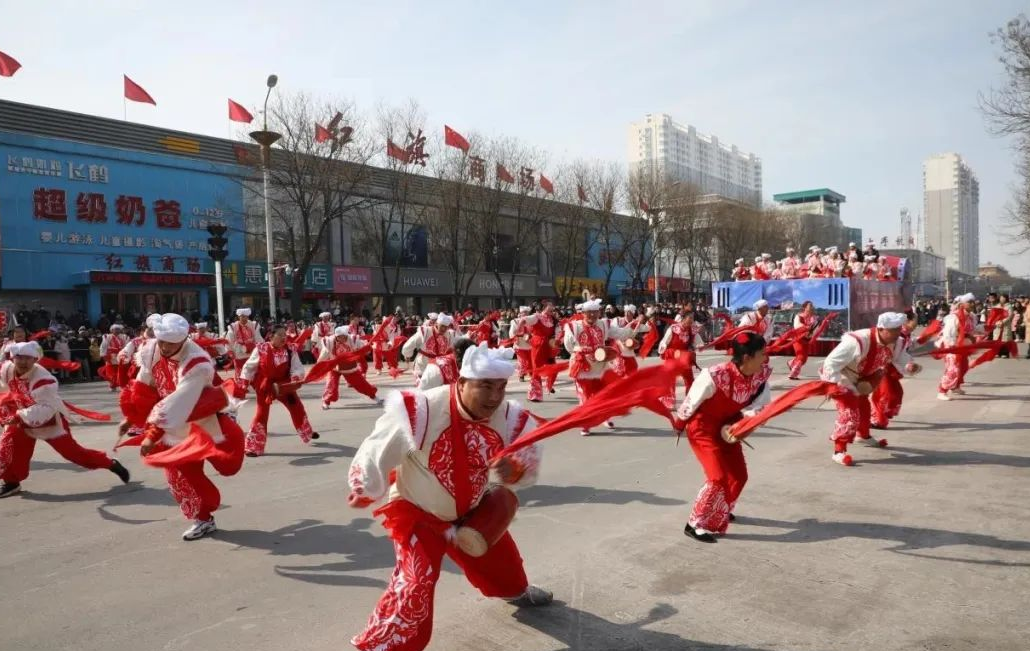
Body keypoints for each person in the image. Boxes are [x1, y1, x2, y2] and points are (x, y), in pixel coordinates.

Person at [348, 343, 551, 651]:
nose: (495, 397)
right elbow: (376, 449)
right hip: (419, 512)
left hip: (472, 510)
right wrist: (366, 485)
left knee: (504, 565)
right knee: (415, 585)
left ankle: (515, 590)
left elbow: (526, 465)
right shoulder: (422, 411)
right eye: (485, 386)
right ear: (462, 381)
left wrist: (514, 470)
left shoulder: (509, 418)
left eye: (501, 387)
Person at [120, 314, 244, 540]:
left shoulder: (196, 362)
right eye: (162, 341)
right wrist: (132, 417)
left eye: (171, 343)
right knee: (181, 476)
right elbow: (143, 388)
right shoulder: (150, 351)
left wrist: (151, 434)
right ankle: (203, 518)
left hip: (202, 417)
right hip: (173, 427)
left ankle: (232, 424)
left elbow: (179, 402)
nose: (165, 347)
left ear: (185, 339)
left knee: (229, 466)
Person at [673, 332, 770, 542]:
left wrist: (744, 422)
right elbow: (692, 400)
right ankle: (695, 523)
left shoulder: (760, 378)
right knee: (717, 477)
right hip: (703, 430)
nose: (766, 358)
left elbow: (759, 406)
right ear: (747, 358)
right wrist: (680, 423)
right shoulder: (715, 375)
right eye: (762, 354)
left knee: (739, 476)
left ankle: (723, 509)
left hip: (728, 430)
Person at [0, 342, 130, 497]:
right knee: (8, 446)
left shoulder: (44, 380)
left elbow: (46, 408)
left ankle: (110, 464)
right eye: (19, 357)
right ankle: (11, 482)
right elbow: (5, 390)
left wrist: (17, 416)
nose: (22, 362)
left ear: (35, 359)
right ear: (13, 358)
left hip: (48, 423)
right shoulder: (7, 370)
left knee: (74, 454)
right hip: (20, 420)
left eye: (28, 358)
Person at [820, 312, 922, 466]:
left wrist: (910, 366)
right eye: (893, 330)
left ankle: (863, 435)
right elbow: (830, 363)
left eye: (898, 329)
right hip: (841, 374)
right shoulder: (858, 341)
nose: (897, 333)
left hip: (863, 375)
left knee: (864, 406)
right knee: (850, 411)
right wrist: (836, 385)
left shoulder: (897, 342)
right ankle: (839, 450)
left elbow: (901, 361)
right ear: (881, 329)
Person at [235, 324, 317, 456]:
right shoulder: (261, 348)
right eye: (280, 335)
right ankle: (253, 447)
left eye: (285, 335)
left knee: (296, 406)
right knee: (261, 413)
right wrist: (244, 382)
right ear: (271, 336)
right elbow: (249, 366)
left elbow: (297, 367)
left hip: (284, 384)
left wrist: (295, 376)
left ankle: (307, 432)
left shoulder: (290, 349)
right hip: (265, 385)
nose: (284, 338)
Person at [563, 299, 635, 435]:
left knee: (605, 395)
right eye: (589, 313)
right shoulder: (574, 326)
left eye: (595, 312)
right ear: (583, 313)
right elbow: (568, 346)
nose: (593, 315)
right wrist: (580, 349)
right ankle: (585, 423)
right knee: (585, 396)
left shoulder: (604, 324)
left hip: (600, 365)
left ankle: (604, 417)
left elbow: (620, 333)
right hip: (583, 365)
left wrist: (634, 327)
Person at [871, 310, 917, 429]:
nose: (915, 323)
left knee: (896, 393)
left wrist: (909, 364)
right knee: (886, 394)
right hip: (877, 369)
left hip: (890, 368)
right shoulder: (870, 338)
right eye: (913, 321)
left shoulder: (900, 339)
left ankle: (882, 415)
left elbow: (901, 356)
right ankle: (877, 419)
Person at [319, 325, 381, 409]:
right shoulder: (329, 341)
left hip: (349, 367)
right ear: (336, 336)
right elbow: (324, 354)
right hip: (334, 367)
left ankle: (374, 397)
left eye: (344, 337)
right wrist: (319, 364)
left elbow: (364, 347)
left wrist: (368, 347)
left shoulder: (353, 339)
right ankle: (326, 402)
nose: (342, 339)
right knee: (331, 384)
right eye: (340, 337)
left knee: (361, 384)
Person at [936, 293, 978, 401]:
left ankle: (955, 386)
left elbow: (974, 329)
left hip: (963, 346)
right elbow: (948, 334)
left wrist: (989, 327)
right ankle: (942, 391)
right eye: (969, 302)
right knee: (952, 369)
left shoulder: (972, 316)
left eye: (973, 302)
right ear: (962, 304)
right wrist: (952, 347)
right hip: (953, 346)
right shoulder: (954, 316)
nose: (972, 304)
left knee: (963, 367)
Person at [657, 311, 704, 405]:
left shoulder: (692, 330)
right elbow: (664, 342)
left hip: (684, 358)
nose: (691, 321)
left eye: (692, 319)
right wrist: (663, 351)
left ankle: (690, 400)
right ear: (683, 319)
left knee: (689, 379)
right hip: (672, 356)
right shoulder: (673, 329)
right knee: (670, 379)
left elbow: (699, 344)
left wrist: (700, 346)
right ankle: (669, 400)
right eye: (689, 318)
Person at [520, 302, 560, 402]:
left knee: (553, 368)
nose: (552, 307)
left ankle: (549, 385)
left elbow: (558, 332)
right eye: (549, 305)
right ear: (544, 307)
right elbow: (525, 320)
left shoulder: (553, 320)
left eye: (552, 305)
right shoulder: (537, 317)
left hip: (548, 346)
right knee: (537, 369)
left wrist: (557, 340)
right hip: (537, 345)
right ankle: (534, 394)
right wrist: (519, 327)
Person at [402, 313, 456, 385]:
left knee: (437, 391)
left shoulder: (450, 334)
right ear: (436, 323)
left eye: (446, 327)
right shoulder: (426, 332)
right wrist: (407, 354)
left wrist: (469, 336)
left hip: (439, 367)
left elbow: (460, 341)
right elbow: (411, 343)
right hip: (423, 366)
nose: (444, 329)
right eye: (442, 326)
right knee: (423, 389)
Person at [608, 304, 648, 377]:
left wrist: (646, 318)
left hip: (628, 349)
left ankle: (629, 385)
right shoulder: (617, 320)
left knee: (632, 368)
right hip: (618, 348)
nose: (626, 314)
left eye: (629, 313)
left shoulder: (636, 323)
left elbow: (647, 328)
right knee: (619, 369)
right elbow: (613, 332)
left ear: (632, 314)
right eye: (625, 312)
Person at [226, 308, 263, 379]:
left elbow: (258, 338)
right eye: (242, 316)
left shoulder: (253, 325)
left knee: (253, 373)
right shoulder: (233, 326)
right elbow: (229, 339)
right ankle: (241, 388)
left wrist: (260, 349)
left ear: (248, 316)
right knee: (240, 374)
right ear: (238, 317)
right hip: (239, 353)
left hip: (251, 352)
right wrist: (230, 351)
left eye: (245, 316)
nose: (244, 318)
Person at [787, 301, 818, 380]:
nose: (811, 307)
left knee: (804, 360)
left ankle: (791, 363)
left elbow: (816, 329)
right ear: (805, 307)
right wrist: (806, 328)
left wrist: (811, 333)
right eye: (809, 306)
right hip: (797, 339)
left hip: (807, 339)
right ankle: (793, 374)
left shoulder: (814, 318)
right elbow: (797, 326)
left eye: (812, 306)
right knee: (801, 356)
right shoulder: (799, 316)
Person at [99, 324, 129, 391]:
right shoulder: (107, 337)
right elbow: (103, 346)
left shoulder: (124, 337)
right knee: (111, 372)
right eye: (115, 329)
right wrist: (104, 355)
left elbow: (127, 346)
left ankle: (123, 385)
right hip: (111, 356)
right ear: (111, 330)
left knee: (121, 372)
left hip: (120, 356)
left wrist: (126, 355)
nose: (117, 331)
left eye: (118, 329)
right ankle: (112, 385)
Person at [509, 306, 534, 381]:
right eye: (524, 313)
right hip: (520, 345)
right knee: (522, 361)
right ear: (520, 313)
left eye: (527, 313)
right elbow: (512, 333)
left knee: (530, 361)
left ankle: (531, 373)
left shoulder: (531, 321)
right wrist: (519, 335)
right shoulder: (515, 321)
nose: (525, 314)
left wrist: (531, 336)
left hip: (529, 344)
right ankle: (521, 375)